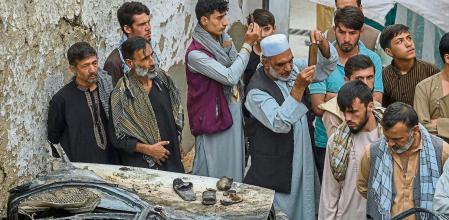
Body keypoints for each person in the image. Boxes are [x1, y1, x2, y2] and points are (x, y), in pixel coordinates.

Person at [244, 33, 336, 219]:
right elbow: (280, 123)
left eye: (290, 61)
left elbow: (325, 68)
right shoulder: (256, 92)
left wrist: (324, 45)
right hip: (277, 164)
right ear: (266, 62)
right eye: (281, 64)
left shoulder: (293, 70)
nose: (288, 68)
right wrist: (298, 88)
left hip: (303, 155)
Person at [185, 0, 259, 181]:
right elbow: (230, 76)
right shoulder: (195, 54)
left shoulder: (222, 39)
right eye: (219, 18)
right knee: (213, 173)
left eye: (224, 16)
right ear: (204, 20)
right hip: (213, 120)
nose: (225, 22)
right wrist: (247, 45)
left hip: (231, 112)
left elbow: (236, 63)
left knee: (234, 169)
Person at [309, 6, 383, 180]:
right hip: (326, 141)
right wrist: (359, 97)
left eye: (352, 33)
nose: (347, 39)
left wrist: (330, 96)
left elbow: (376, 101)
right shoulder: (321, 58)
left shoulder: (373, 58)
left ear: (361, 31)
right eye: (342, 32)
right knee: (331, 194)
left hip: (366, 141)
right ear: (334, 29)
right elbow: (318, 106)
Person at [357, 102, 449, 220]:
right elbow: (364, 188)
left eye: (397, 139)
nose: (390, 144)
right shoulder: (373, 152)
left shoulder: (442, 151)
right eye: (387, 137)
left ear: (415, 130)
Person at [109, 36, 184, 173]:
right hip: (145, 165)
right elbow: (117, 138)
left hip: (172, 157)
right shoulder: (122, 93)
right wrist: (149, 150)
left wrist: (177, 141)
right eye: (144, 59)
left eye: (151, 55)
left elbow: (173, 115)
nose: (152, 62)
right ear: (130, 63)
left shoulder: (163, 80)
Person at [319, 80, 384, 220]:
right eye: (344, 112)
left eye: (353, 112)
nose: (347, 118)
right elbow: (330, 192)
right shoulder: (337, 142)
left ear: (370, 106)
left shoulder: (390, 137)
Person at [47, 42, 117, 164]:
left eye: (94, 63)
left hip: (114, 163)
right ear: (73, 69)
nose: (92, 70)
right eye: (85, 66)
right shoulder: (62, 99)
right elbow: (54, 137)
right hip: (81, 168)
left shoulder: (108, 90)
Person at [320, 54, 381, 137]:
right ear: (347, 80)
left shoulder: (376, 106)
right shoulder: (333, 111)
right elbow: (337, 147)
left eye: (370, 77)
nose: (365, 83)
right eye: (359, 78)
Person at [381, 24, 440, 107]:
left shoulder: (430, 70)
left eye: (409, 38)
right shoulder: (384, 76)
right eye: (400, 41)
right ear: (389, 52)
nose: (409, 44)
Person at [104, 1, 159, 86]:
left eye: (148, 22)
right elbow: (113, 97)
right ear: (127, 29)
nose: (148, 28)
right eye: (142, 24)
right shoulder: (114, 63)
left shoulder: (150, 47)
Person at [327, 0, 392, 66]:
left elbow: (388, 71)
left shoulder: (377, 37)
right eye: (340, 10)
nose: (345, 13)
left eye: (351, 9)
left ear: (360, 9)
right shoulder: (327, 36)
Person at [414, 32, 449, 143]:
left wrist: (439, 123)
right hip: (435, 152)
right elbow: (421, 127)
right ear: (447, 58)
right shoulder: (424, 87)